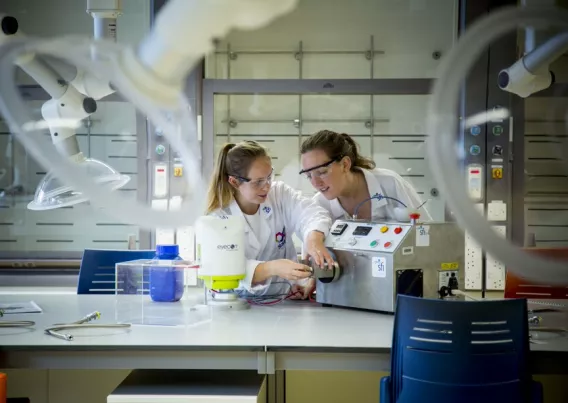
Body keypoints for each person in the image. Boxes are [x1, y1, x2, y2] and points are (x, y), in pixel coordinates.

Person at [206, 140, 334, 299]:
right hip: (235, 304)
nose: (266, 186)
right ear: (234, 181)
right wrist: (272, 268)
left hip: (283, 302)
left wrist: (314, 238)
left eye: (269, 177)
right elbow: (224, 267)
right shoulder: (216, 219)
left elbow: (312, 213)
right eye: (258, 182)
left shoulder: (278, 194)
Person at [299, 130, 432, 222]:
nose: (315, 183)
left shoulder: (389, 183)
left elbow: (427, 233)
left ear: (345, 164)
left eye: (322, 172)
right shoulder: (319, 205)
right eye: (308, 176)